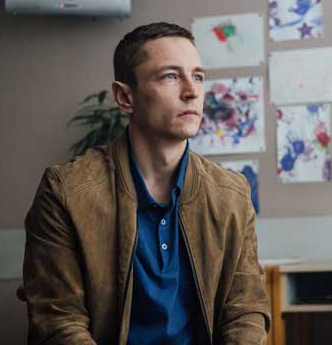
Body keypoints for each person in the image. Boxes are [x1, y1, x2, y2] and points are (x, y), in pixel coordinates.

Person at [21, 22, 271, 344]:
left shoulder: (231, 194)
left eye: (197, 76)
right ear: (125, 97)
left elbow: (246, 309)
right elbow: (59, 321)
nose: (192, 91)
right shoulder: (66, 192)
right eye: (170, 76)